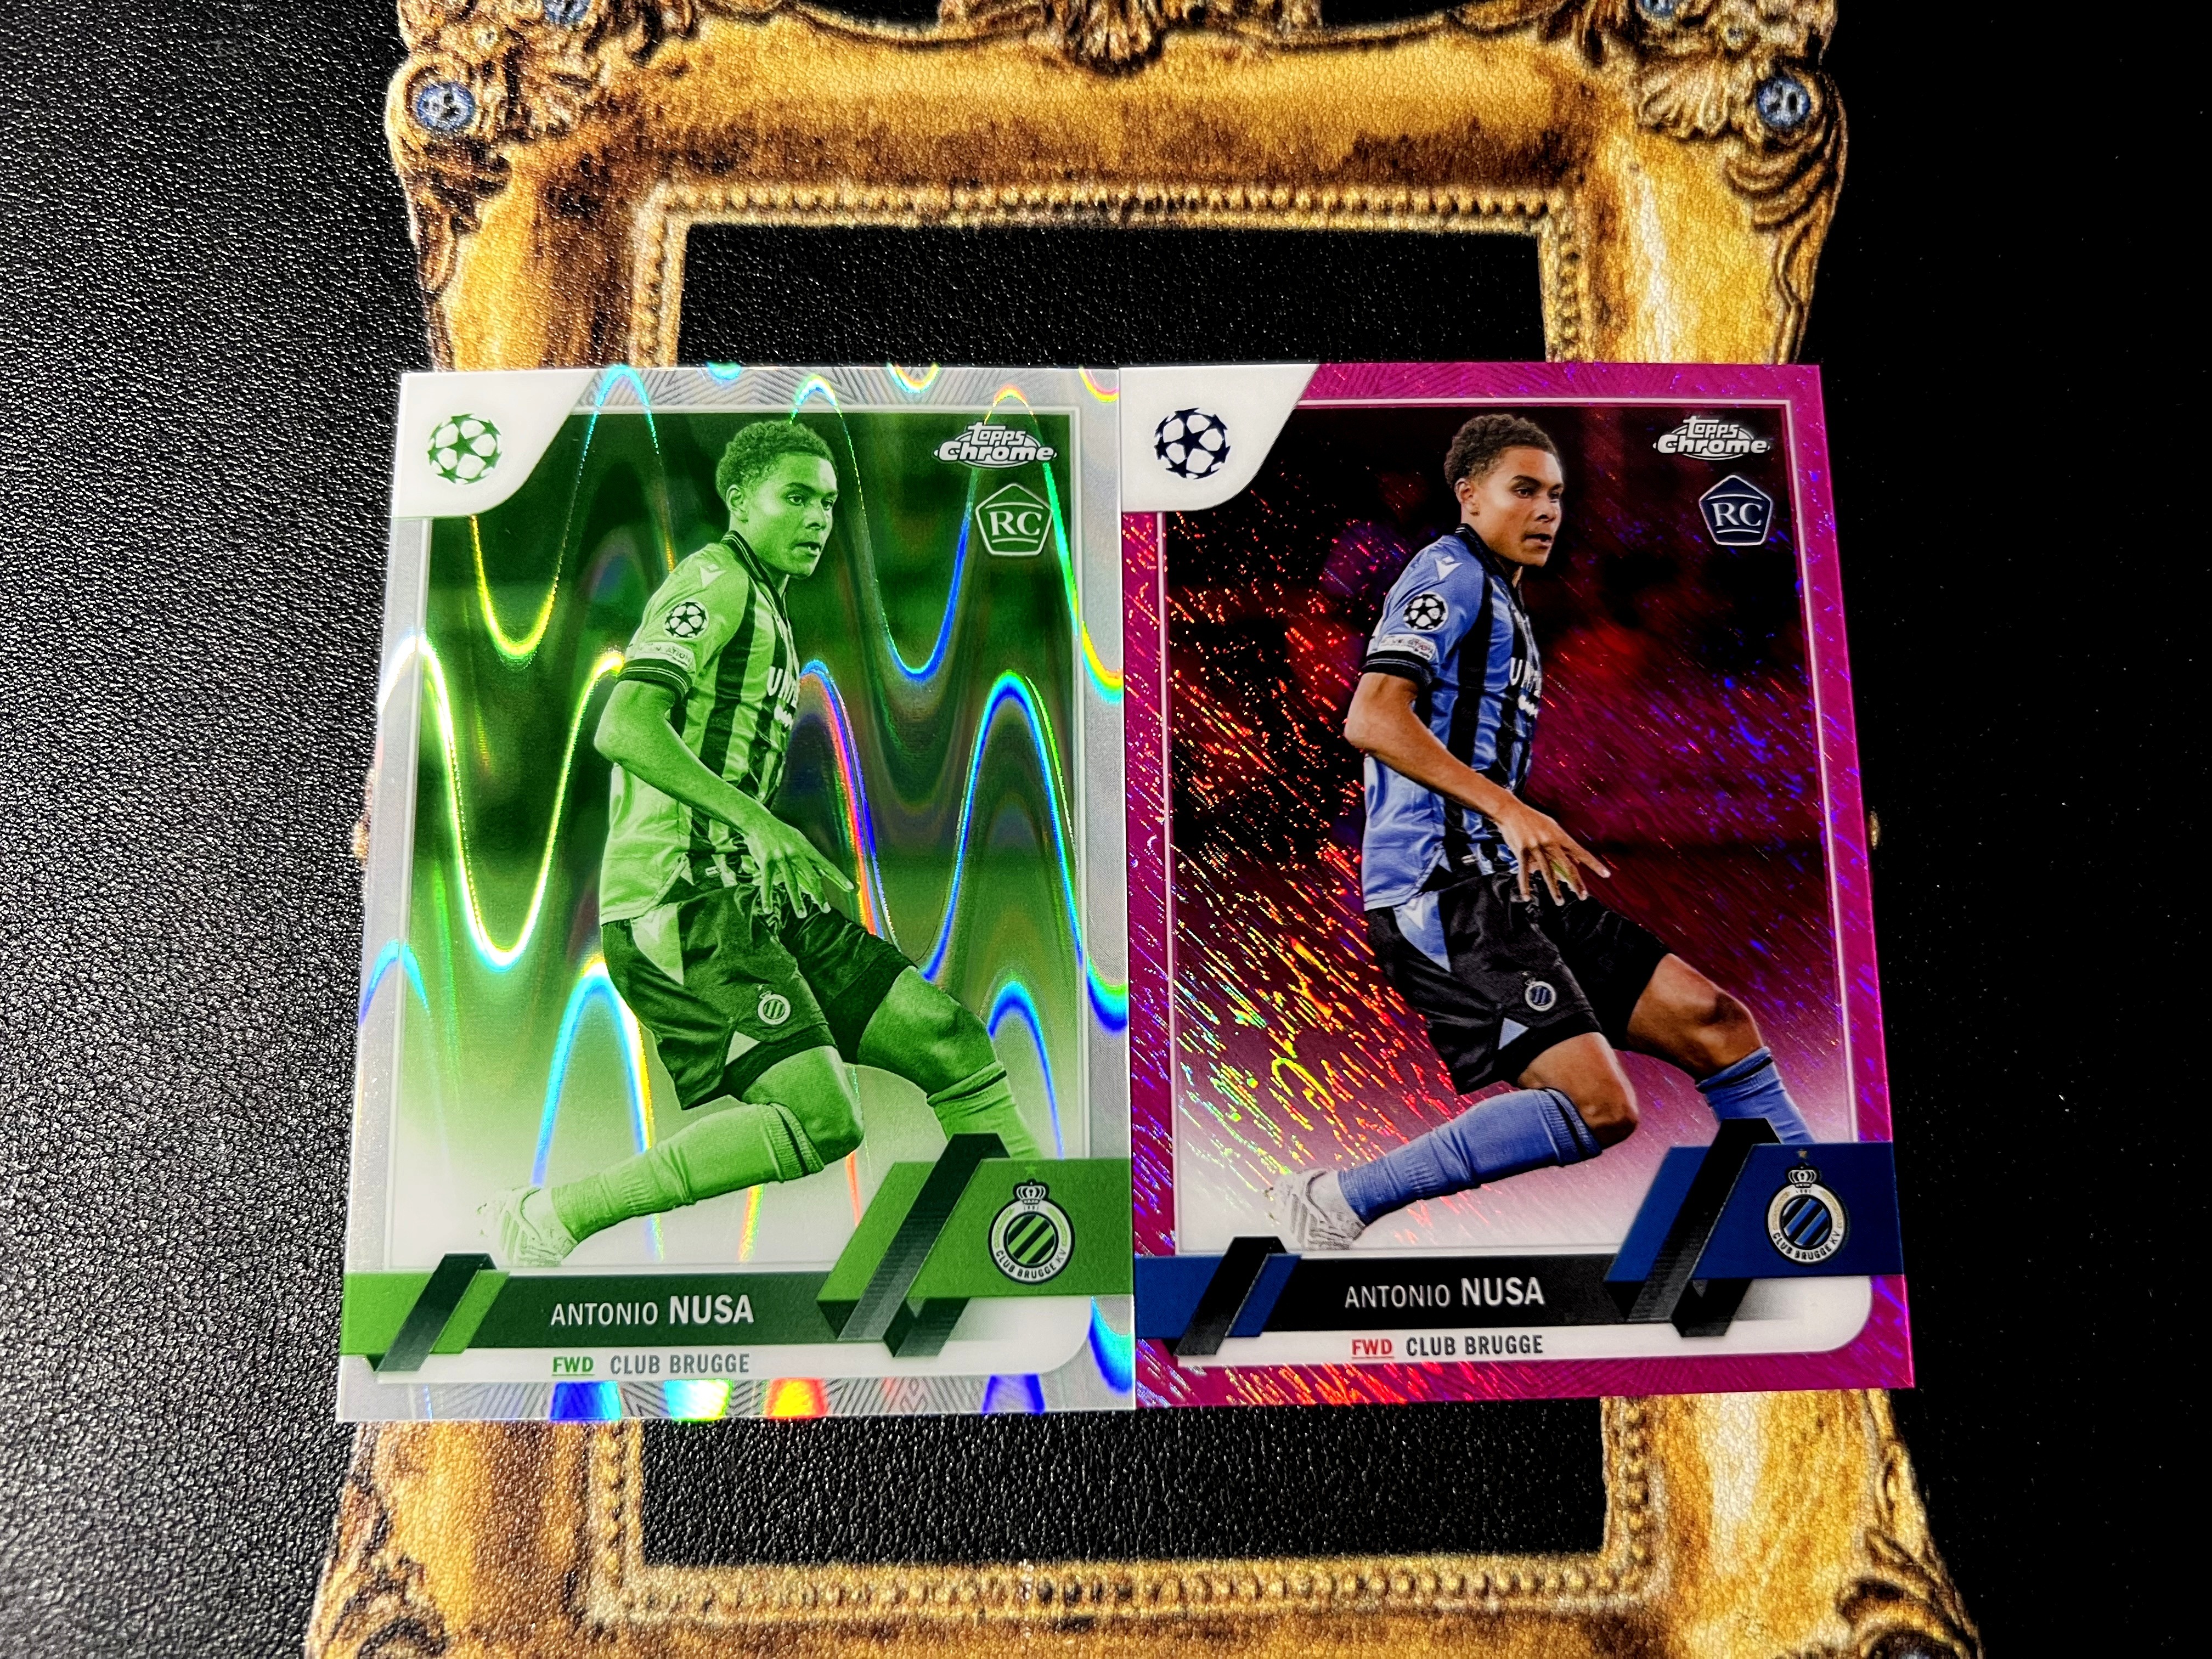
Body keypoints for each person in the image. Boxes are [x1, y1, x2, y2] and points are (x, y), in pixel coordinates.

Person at [487, 419, 1039, 1267]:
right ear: (740, 500)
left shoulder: (769, 606)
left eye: (828, 502)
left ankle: (1034, 1225)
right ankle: (550, 1218)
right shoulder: (714, 582)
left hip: (750, 896)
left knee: (948, 1040)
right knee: (826, 1119)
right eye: (796, 497)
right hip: (678, 902)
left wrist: (757, 842)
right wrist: (756, 821)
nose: (818, 518)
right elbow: (624, 724)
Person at [1268, 413, 1814, 1251]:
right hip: (1446, 892)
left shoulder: (1506, 598)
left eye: (1555, 494)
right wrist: (1508, 807)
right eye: (1523, 490)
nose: (1547, 510)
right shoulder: (1446, 571)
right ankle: (1338, 1201)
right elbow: (1371, 718)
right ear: (1468, 496)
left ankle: (1808, 1202)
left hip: (1510, 884)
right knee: (1600, 1108)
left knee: (1716, 1023)